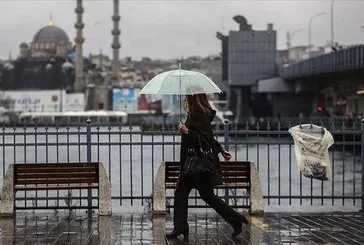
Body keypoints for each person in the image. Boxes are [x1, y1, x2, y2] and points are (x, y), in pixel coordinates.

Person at [166, 93, 249, 241]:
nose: (185, 100)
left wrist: (187, 131)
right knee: (181, 193)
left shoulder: (200, 116)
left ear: (194, 99)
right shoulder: (194, 115)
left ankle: (235, 219)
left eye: (187, 97)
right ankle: (180, 227)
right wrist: (222, 151)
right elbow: (209, 137)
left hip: (197, 165)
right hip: (190, 165)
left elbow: (203, 139)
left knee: (204, 195)